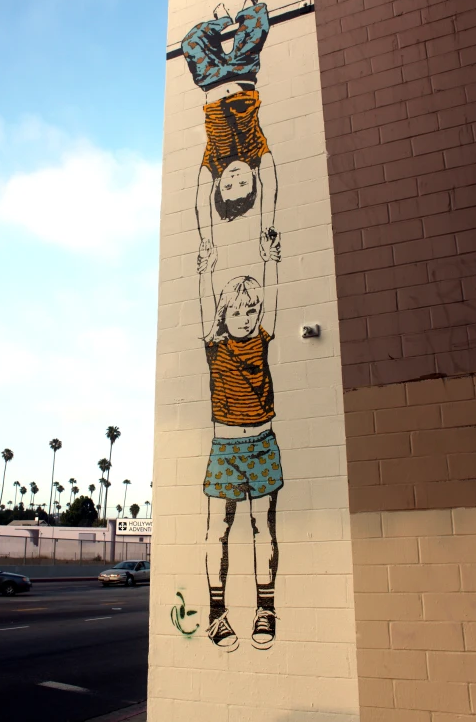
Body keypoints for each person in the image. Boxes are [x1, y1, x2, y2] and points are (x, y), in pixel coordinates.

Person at [197, 228, 282, 651]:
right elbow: (201, 304)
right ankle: (217, 614)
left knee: (261, 528)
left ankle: (264, 608)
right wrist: (205, 272)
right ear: (224, 313)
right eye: (237, 310)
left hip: (262, 443)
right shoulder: (215, 347)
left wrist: (271, 261)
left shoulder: (263, 341)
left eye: (252, 310)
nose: (246, 317)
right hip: (226, 448)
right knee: (218, 530)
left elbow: (277, 305)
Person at [182, 0, 278, 248]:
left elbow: (201, 200)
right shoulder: (258, 155)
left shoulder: (212, 162)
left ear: (218, 185)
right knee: (256, 29)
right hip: (242, 72)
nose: (235, 177)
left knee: (191, 42)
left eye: (229, 185)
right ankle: (248, 10)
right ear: (255, 177)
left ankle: (222, 20)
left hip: (210, 81)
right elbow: (271, 187)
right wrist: (267, 229)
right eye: (243, 183)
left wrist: (206, 241)